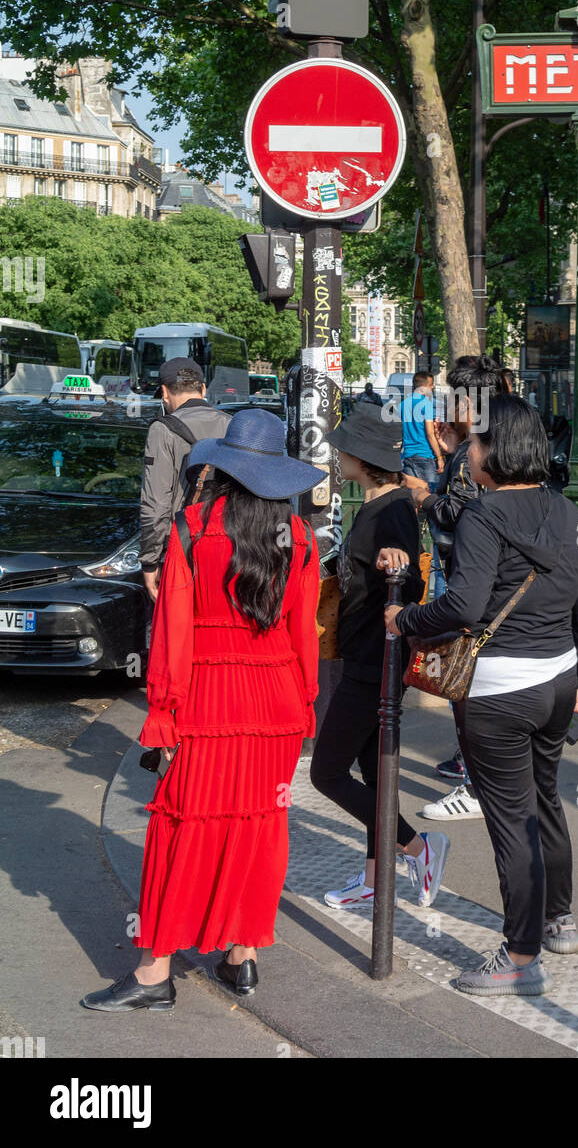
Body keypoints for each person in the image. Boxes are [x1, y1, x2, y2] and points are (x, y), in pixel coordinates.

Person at [81, 409, 324, 1011]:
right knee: (257, 829)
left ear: (224, 468)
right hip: (276, 706)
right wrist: (305, 706)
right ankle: (242, 956)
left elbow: (172, 634)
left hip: (207, 703)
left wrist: (163, 711)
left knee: (181, 829)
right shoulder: (300, 539)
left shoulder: (191, 530)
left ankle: (154, 972)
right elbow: (304, 637)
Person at [385, 396, 578, 996]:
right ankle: (560, 920)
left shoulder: (483, 517)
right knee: (545, 801)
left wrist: (403, 619)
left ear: (495, 451)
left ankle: (520, 956)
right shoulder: (569, 512)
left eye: (474, 442)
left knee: (513, 822)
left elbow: (465, 605)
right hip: (559, 680)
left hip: (500, 690)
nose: (466, 452)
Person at [309, 402, 450, 907]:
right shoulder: (379, 504)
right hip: (367, 657)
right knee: (373, 775)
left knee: (325, 772)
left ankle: (417, 846)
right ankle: (374, 878)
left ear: (360, 456)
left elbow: (408, 579)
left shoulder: (390, 509)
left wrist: (400, 564)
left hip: (375, 663)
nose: (337, 452)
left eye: (343, 446)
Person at [403, 354, 510, 820]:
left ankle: (476, 780)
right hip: (500, 577)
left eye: (455, 396)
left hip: (468, 572)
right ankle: (475, 769)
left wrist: (424, 495)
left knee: (467, 674)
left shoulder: (475, 453)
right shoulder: (501, 439)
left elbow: (466, 516)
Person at [139, 358, 231, 602]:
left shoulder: (162, 430)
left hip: (185, 547)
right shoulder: (232, 425)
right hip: (231, 546)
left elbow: (156, 504)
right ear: (203, 389)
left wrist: (150, 562)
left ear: (165, 392)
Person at [399, 371, 443, 490]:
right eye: (431, 385)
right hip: (424, 455)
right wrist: (439, 457)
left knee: (412, 496)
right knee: (431, 494)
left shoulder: (402, 405)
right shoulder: (426, 404)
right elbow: (430, 434)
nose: (432, 387)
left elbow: (400, 433)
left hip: (407, 455)